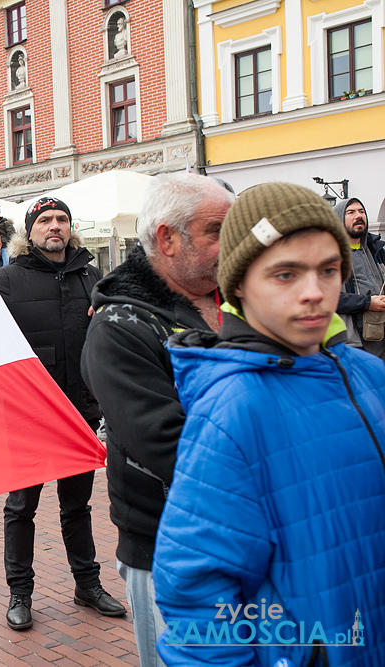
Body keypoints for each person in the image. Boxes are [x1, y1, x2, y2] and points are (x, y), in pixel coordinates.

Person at [153, 182, 385, 667]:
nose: (314, 293)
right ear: (238, 283)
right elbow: (197, 605)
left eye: (328, 270)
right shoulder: (232, 412)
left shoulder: (371, 375)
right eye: (285, 274)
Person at [80, 173, 234, 666]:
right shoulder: (119, 327)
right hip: (169, 548)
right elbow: (169, 445)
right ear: (167, 238)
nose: (232, 244)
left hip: (251, 536)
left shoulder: (242, 303)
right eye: (216, 231)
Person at [0, 197, 125, 632]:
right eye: (45, 220)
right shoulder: (6, 279)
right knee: (21, 507)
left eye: (62, 220)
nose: (55, 226)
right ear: (28, 232)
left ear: (71, 228)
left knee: (77, 506)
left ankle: (87, 585)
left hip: (79, 411)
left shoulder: (90, 275)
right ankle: (20, 593)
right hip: (28, 413)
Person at [334, 197, 385, 359]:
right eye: (351, 212)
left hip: (381, 340)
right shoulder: (329, 256)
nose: (358, 215)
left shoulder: (377, 249)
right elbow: (328, 299)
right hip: (352, 344)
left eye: (361, 211)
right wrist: (368, 303)